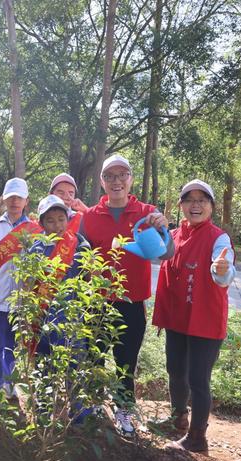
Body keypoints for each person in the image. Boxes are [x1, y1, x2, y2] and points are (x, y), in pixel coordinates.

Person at [80, 154, 174, 436]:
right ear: (102, 182)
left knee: (125, 361)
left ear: (131, 179)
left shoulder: (147, 213)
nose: (116, 181)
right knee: (93, 357)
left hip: (131, 303)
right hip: (96, 302)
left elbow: (166, 254)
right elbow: (80, 256)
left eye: (122, 175)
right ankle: (94, 406)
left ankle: (123, 411)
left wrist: (163, 228)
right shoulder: (90, 217)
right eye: (110, 176)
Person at [152, 180, 235, 453]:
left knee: (199, 379)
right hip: (178, 318)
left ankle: (197, 437)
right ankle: (178, 418)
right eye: (190, 200)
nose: (196, 205)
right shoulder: (174, 236)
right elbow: (155, 253)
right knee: (175, 371)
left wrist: (222, 268)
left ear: (212, 207)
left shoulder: (218, 238)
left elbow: (222, 271)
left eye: (202, 200)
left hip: (205, 319)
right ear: (181, 206)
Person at [0, 178, 41, 395]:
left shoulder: (33, 229)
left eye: (19, 197)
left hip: (20, 301)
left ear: (26, 200)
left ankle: (9, 386)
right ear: (3, 199)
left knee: (12, 347)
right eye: (10, 197)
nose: (14, 201)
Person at [30, 195, 91, 422]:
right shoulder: (37, 248)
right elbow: (29, 284)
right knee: (43, 365)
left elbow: (89, 274)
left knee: (74, 365)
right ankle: (43, 410)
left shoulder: (79, 244)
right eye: (51, 221)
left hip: (71, 318)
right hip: (43, 317)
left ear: (68, 219)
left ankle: (79, 413)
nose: (57, 225)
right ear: (42, 224)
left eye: (61, 219)